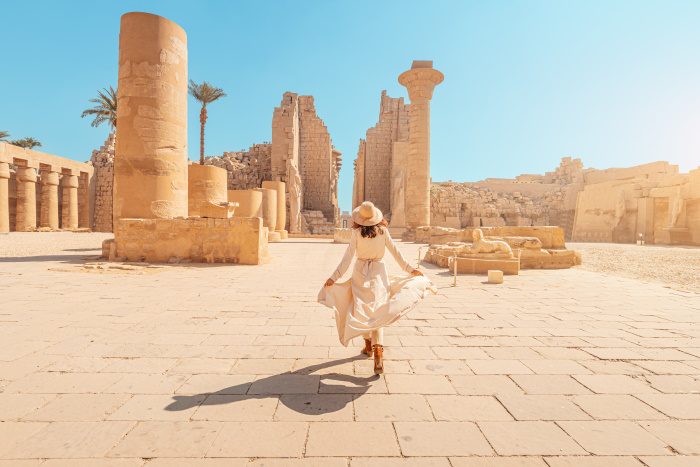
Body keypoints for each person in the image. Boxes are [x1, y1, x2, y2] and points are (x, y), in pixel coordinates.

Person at [318, 201, 436, 374]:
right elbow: (396, 252)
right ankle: (378, 351)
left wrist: (333, 277)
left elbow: (347, 259)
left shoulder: (357, 233)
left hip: (360, 274)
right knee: (378, 310)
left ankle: (367, 345)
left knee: (362, 311)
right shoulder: (383, 231)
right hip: (379, 274)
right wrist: (410, 269)